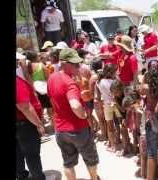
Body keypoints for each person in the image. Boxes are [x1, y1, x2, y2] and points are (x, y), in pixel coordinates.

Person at [47, 48, 100, 180]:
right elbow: (75, 105)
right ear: (64, 63)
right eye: (75, 64)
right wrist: (84, 115)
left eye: (79, 64)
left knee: (68, 162)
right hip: (78, 129)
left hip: (60, 129)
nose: (79, 66)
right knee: (91, 159)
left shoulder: (52, 78)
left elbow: (54, 98)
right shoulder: (69, 82)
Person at [16, 53, 46, 180]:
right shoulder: (16, 82)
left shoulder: (19, 78)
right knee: (32, 154)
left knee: (18, 152)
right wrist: (38, 124)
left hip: (20, 123)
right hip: (25, 124)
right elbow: (24, 106)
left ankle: (22, 175)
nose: (20, 63)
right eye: (18, 61)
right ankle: (38, 177)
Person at [97, 64, 122, 153]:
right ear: (111, 73)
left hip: (107, 104)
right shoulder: (115, 81)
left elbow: (99, 95)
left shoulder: (100, 82)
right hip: (117, 104)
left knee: (110, 126)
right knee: (121, 123)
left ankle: (113, 145)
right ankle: (119, 139)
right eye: (115, 71)